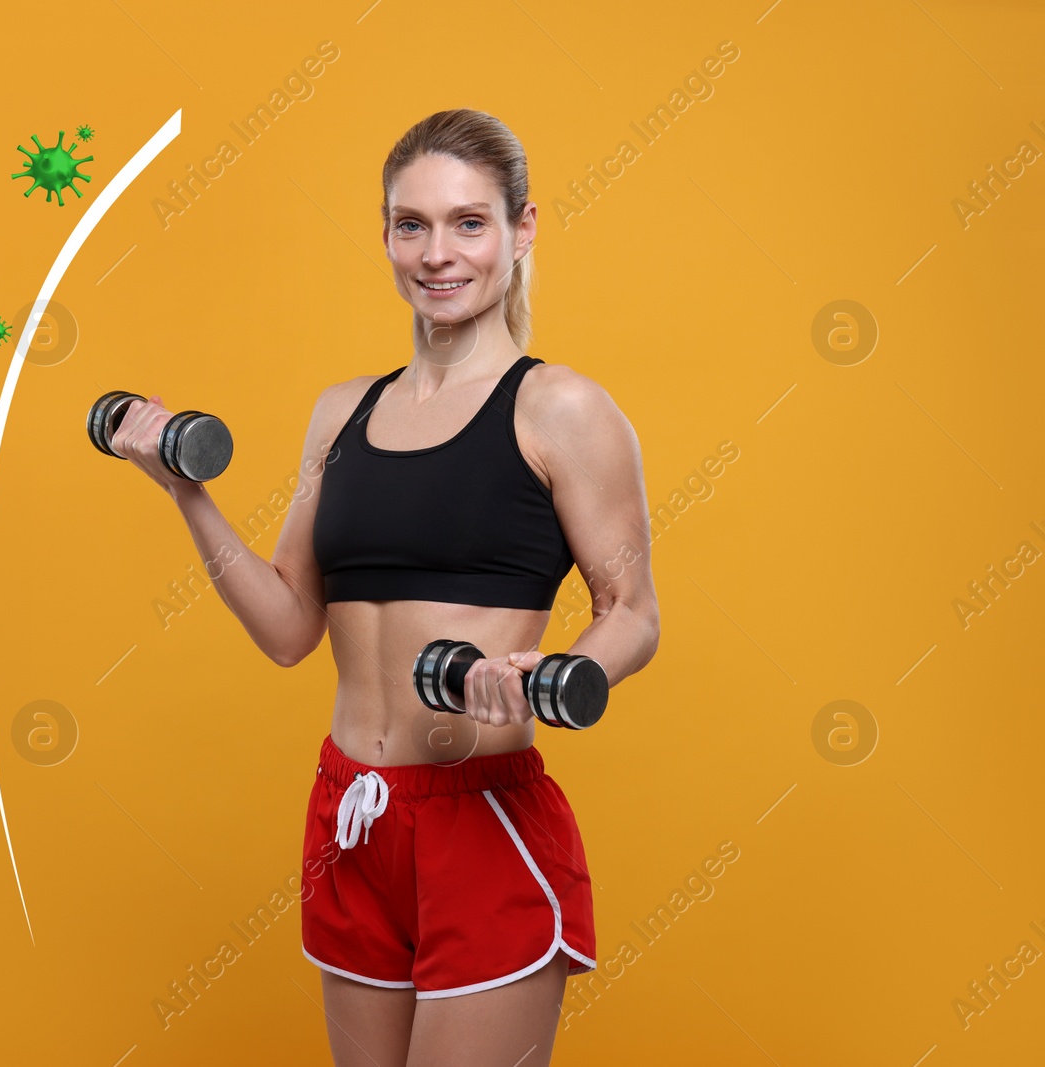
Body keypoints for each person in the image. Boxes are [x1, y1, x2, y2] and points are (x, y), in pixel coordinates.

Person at [109, 108, 659, 1067]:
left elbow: (633, 613)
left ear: (522, 230)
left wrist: (550, 675)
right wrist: (183, 491)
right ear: (387, 236)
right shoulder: (342, 413)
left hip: (477, 815)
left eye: (468, 223)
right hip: (349, 810)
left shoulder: (560, 408)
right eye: (412, 225)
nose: (438, 253)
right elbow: (288, 628)